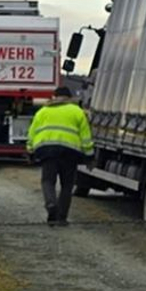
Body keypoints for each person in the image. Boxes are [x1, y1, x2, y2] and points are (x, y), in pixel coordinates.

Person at [26, 87, 94, 227]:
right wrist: (89, 156)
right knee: (67, 185)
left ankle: (51, 204)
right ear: (69, 98)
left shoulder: (42, 112)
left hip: (47, 151)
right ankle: (61, 218)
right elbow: (86, 137)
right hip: (70, 152)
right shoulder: (77, 112)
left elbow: (32, 134)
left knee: (48, 181)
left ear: (54, 97)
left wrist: (30, 151)